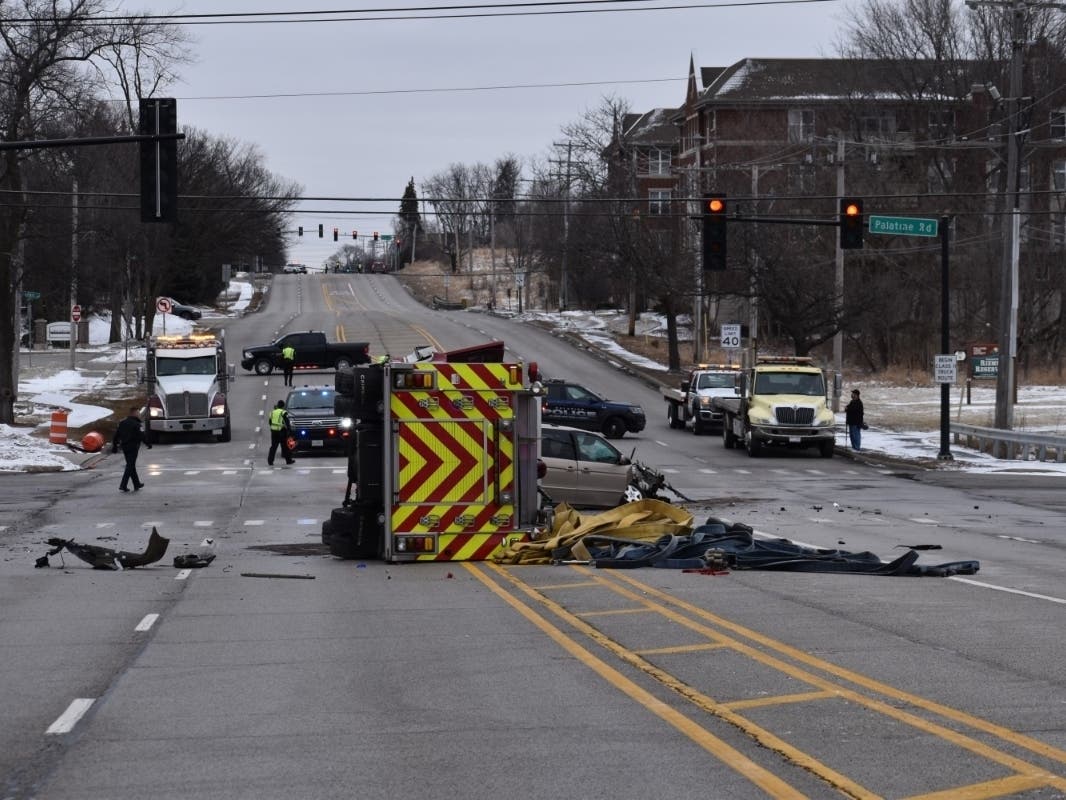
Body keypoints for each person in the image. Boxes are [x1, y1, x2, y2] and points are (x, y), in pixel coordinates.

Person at [112, 406, 152, 492]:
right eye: (138, 413)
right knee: (130, 466)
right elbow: (142, 435)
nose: (139, 414)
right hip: (133, 447)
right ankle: (123, 485)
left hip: (125, 447)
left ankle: (136, 483)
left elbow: (116, 435)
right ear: (134, 413)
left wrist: (114, 446)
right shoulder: (136, 424)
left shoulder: (122, 423)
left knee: (131, 465)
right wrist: (148, 444)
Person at [267, 399, 296, 466]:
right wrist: (290, 431)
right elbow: (287, 422)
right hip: (281, 432)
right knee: (285, 447)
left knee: (273, 447)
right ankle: (288, 461)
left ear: (277, 405)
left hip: (273, 432)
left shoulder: (272, 412)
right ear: (283, 406)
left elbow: (270, 422)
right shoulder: (283, 412)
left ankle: (270, 461)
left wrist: (274, 428)